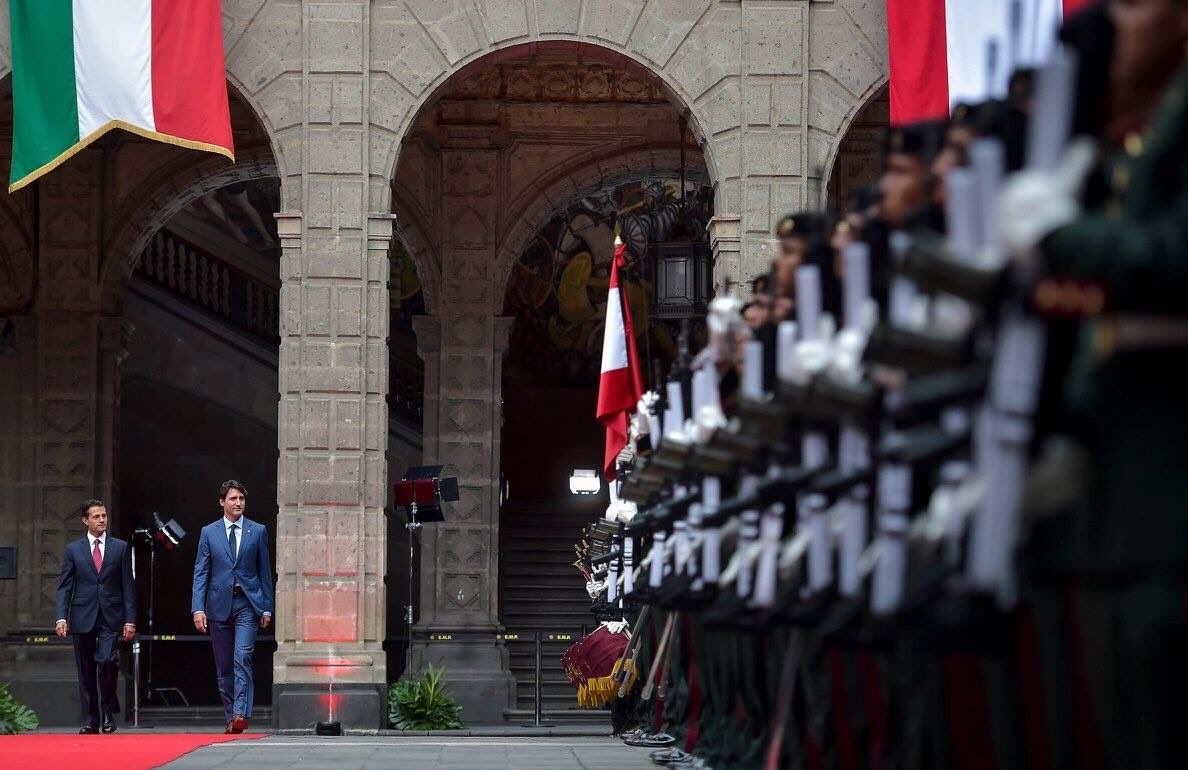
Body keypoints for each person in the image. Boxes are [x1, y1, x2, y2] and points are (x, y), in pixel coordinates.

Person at [192, 480, 274, 734]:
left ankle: (240, 712)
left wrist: (266, 607)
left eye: (241, 498)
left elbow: (265, 572)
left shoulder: (257, 531)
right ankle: (231, 716)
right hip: (218, 605)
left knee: (243, 656)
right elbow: (201, 572)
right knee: (225, 665)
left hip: (247, 603)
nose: (238, 503)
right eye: (233, 499)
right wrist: (197, 608)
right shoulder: (209, 532)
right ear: (222, 502)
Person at [54, 499, 136, 734]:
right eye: (96, 516)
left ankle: (108, 711)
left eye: (104, 516)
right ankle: (91, 719)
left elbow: (128, 585)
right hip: (82, 614)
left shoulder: (120, 547)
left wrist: (130, 620)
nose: (102, 520)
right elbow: (65, 586)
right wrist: (61, 617)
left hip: (111, 615)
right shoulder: (73, 550)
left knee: (107, 661)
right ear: (85, 520)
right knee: (86, 669)